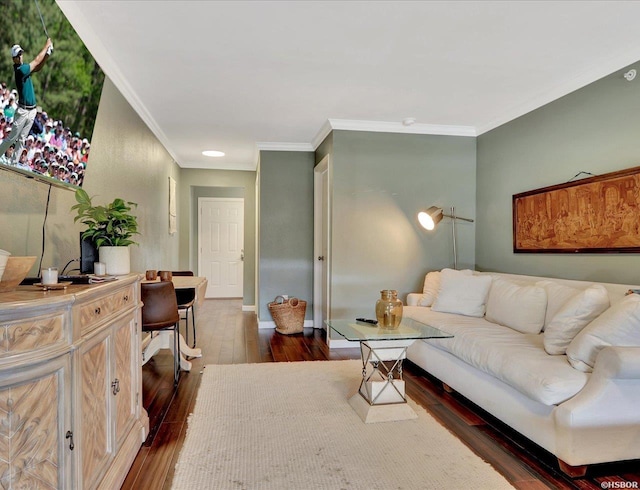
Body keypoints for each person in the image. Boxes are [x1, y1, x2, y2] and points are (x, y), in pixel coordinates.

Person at [0, 39, 53, 163]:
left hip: (32, 110)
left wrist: (47, 55)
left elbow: (38, 67)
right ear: (14, 59)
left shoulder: (24, 68)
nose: (20, 56)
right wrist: (46, 45)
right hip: (23, 111)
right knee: (12, 138)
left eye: (21, 54)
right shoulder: (20, 70)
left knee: (22, 139)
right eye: (18, 55)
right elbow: (35, 62)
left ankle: (13, 163)